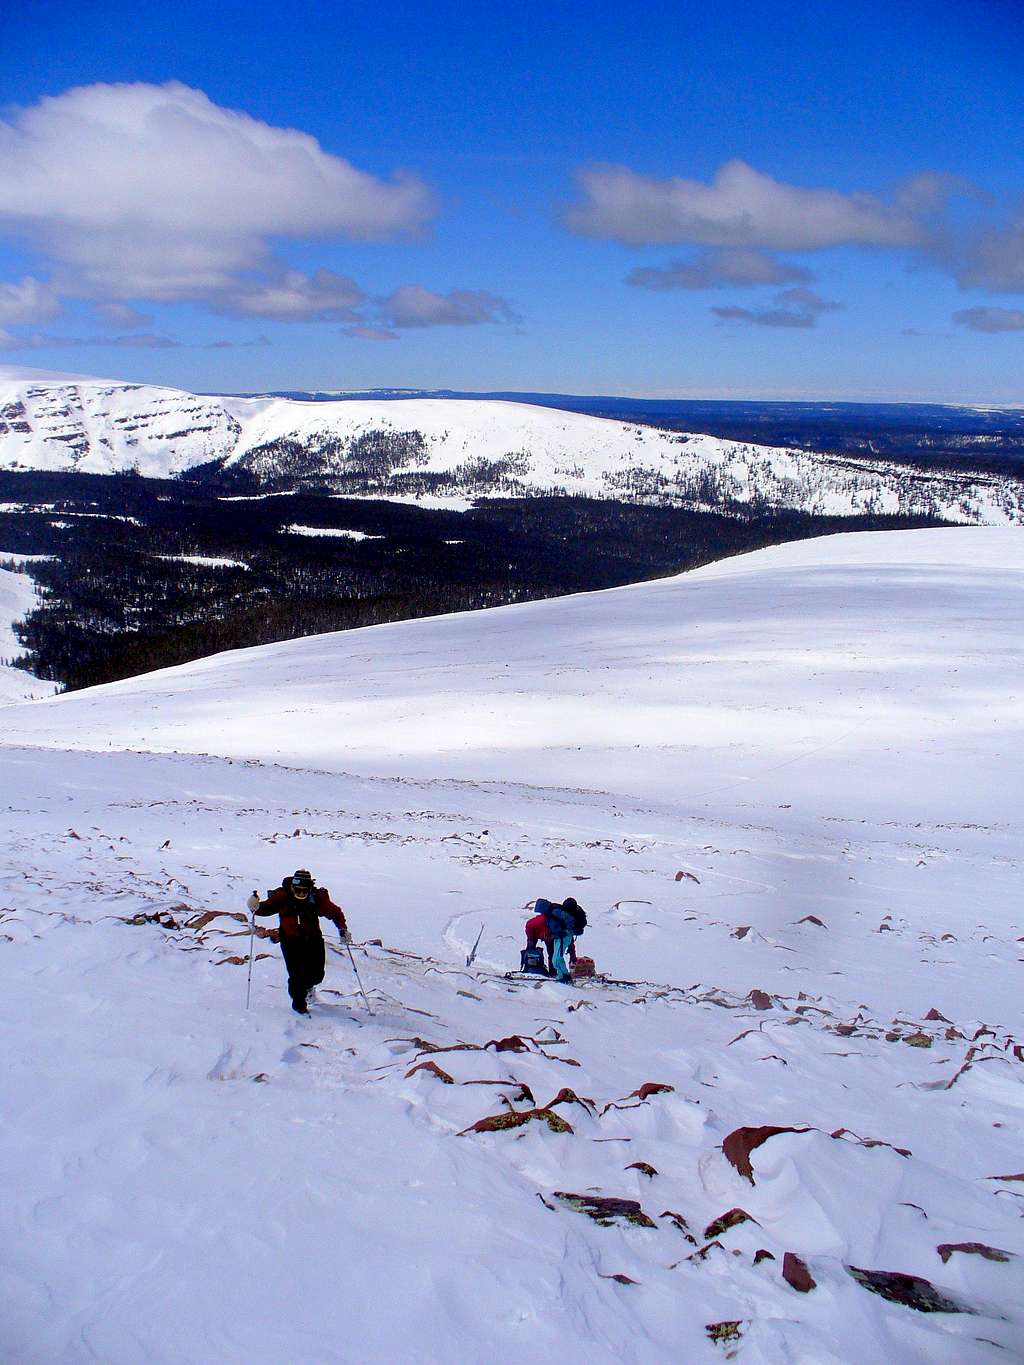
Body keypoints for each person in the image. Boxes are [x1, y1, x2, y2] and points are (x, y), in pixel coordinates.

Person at [247, 869, 350, 1014]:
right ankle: (299, 1006)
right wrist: (254, 906)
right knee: (296, 975)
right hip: (290, 941)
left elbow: (335, 912)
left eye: (304, 891)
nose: (301, 894)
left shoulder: (317, 898)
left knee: (317, 975)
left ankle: (307, 988)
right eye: (298, 890)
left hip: (313, 940)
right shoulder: (283, 896)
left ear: (309, 888)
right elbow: (265, 908)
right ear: (292, 887)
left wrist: (342, 929)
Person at [531, 897, 585, 984]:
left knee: (556, 959)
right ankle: (562, 976)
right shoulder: (551, 912)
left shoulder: (555, 912)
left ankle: (565, 977)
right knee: (556, 959)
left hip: (564, 937)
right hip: (559, 937)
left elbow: (569, 923)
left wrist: (564, 932)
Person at [524, 906, 577, 977]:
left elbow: (570, 943)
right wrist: (530, 940)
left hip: (550, 934)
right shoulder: (538, 923)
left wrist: (573, 957)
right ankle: (531, 968)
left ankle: (553, 973)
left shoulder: (560, 929)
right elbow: (529, 927)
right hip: (538, 931)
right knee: (531, 952)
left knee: (552, 954)